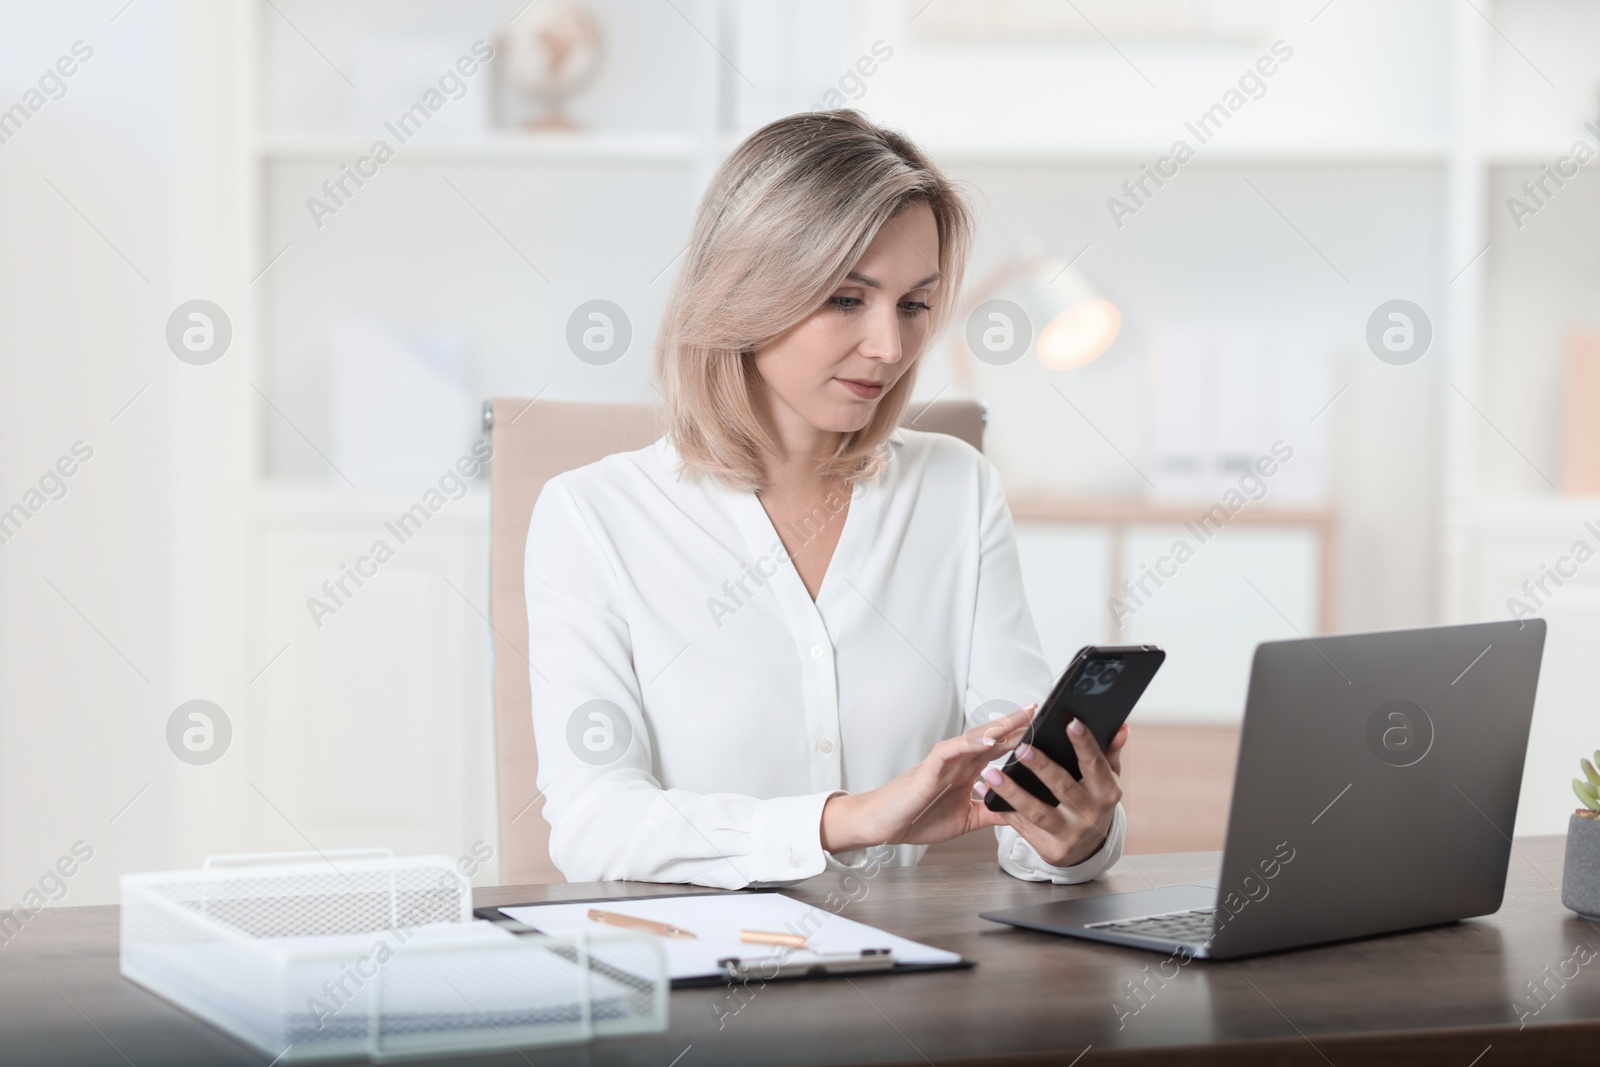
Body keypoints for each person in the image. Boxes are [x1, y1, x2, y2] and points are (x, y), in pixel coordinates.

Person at [526, 109, 1128, 889]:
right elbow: (592, 822)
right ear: (745, 288)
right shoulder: (593, 517)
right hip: (696, 980)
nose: (890, 346)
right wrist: (844, 819)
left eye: (914, 305)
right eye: (847, 298)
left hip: (910, 984)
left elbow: (1019, 776)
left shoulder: (956, 488)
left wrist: (1075, 833)